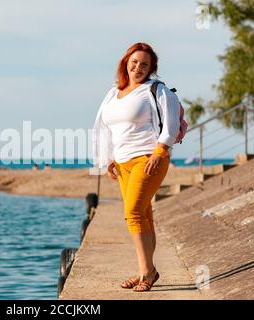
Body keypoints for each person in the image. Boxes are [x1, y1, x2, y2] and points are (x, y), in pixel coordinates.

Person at [92, 42, 181, 292]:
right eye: (134, 62)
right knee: (143, 214)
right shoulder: (114, 93)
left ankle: (147, 273)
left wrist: (160, 151)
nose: (138, 67)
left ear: (151, 68)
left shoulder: (156, 90)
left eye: (144, 64)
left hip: (148, 158)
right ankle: (147, 270)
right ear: (125, 63)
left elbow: (171, 123)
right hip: (122, 163)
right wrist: (109, 157)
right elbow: (109, 127)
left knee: (132, 213)